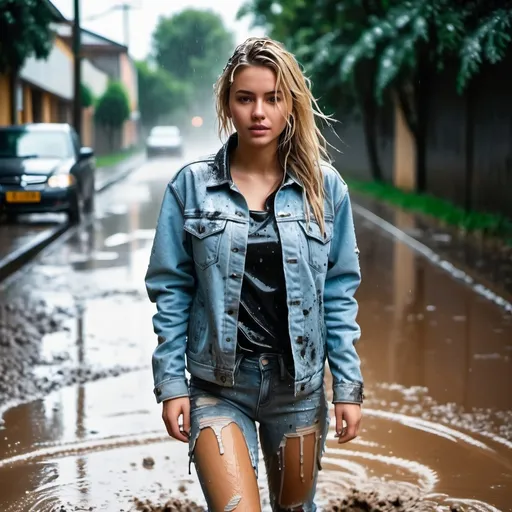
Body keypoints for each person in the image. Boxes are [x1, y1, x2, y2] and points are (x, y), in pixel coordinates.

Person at [145, 37, 363, 512]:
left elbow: (339, 292)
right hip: (218, 387)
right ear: (228, 102)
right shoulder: (191, 187)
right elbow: (171, 290)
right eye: (245, 98)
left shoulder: (325, 190)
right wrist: (171, 383)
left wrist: (347, 386)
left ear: (291, 105)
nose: (258, 112)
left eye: (272, 98)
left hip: (298, 391)